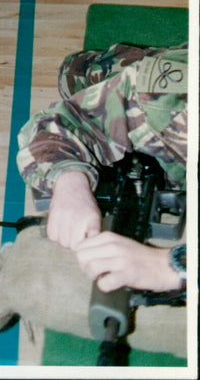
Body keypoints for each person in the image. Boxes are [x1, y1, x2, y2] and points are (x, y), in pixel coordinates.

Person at [17, 43, 188, 294]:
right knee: (73, 73)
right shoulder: (172, 98)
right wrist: (70, 181)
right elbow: (63, 122)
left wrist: (170, 267)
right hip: (172, 80)